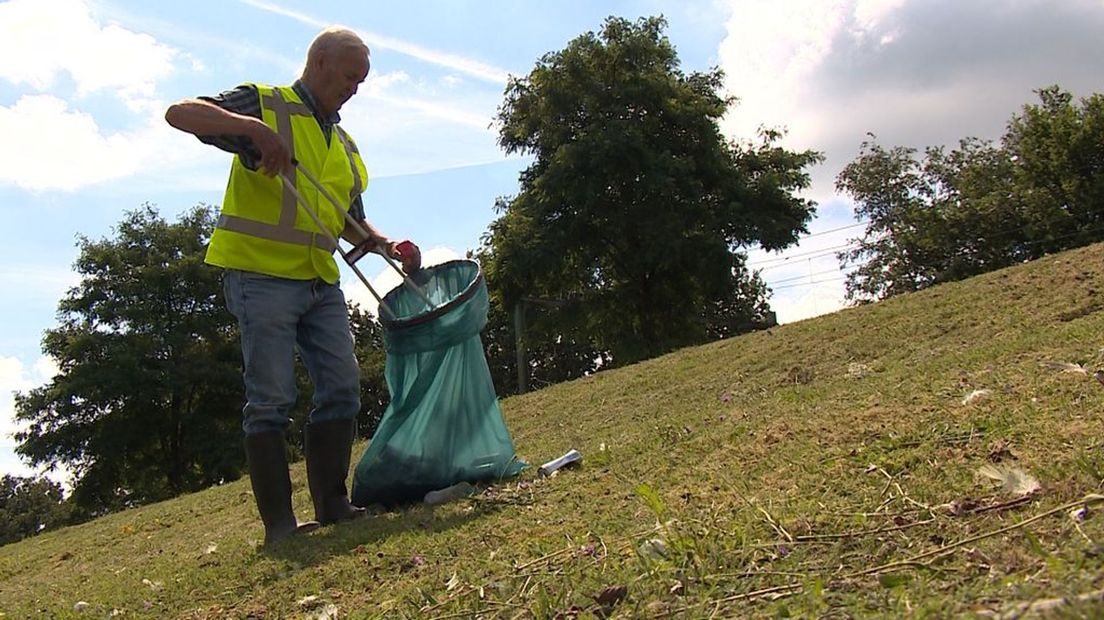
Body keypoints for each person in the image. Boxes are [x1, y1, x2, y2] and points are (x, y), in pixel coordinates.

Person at [165, 26, 420, 545]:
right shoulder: (267, 105)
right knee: (271, 397)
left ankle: (333, 505)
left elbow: (348, 219)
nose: (356, 88)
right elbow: (180, 113)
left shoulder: (345, 144)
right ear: (320, 61)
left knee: (343, 387)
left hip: (319, 280)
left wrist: (384, 244)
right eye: (351, 76)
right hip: (260, 276)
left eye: (363, 80)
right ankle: (280, 526)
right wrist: (252, 131)